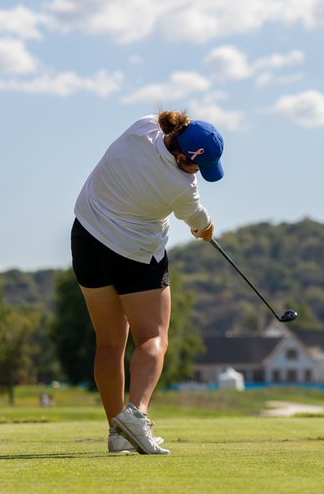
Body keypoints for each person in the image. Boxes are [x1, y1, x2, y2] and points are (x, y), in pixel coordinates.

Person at [71, 109, 225, 455]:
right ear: (186, 158)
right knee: (153, 338)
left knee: (109, 343)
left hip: (86, 240)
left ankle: (117, 432)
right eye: (198, 165)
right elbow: (201, 225)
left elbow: (161, 119)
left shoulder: (142, 127)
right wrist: (207, 228)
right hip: (134, 255)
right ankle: (137, 414)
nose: (198, 172)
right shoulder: (182, 188)